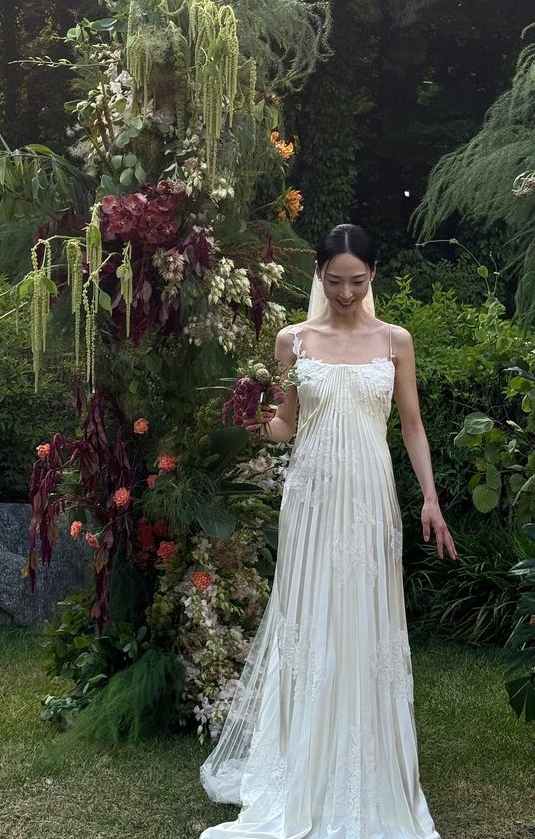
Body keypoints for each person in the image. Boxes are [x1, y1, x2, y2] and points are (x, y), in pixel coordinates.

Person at [199, 223, 457, 839]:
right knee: (310, 617)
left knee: (365, 618)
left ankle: (367, 761)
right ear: (318, 274)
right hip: (311, 497)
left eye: (358, 281)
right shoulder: (293, 341)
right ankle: (305, 763)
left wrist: (430, 497)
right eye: (335, 281)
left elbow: (413, 427)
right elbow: (285, 424)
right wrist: (243, 421)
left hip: (369, 496)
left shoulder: (395, 341)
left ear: (373, 276)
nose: (346, 293)